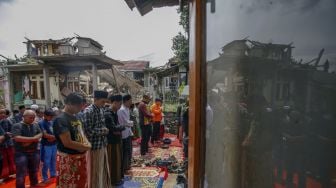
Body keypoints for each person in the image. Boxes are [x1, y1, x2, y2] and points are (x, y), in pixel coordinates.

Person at [53, 93, 91, 188]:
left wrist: (87, 143)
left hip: (80, 157)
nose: (80, 108)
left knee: (81, 182)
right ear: (69, 103)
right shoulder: (61, 119)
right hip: (68, 159)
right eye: (78, 106)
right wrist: (86, 146)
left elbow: (82, 133)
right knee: (68, 183)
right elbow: (67, 142)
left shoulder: (77, 116)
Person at [82, 90, 111, 188]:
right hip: (93, 147)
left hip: (102, 144)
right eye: (103, 102)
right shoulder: (88, 111)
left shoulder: (101, 109)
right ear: (95, 99)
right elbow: (88, 132)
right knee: (94, 172)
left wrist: (104, 130)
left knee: (102, 171)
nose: (104, 104)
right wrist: (103, 131)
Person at [11, 110, 42, 188]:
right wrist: (33, 139)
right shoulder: (17, 126)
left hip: (34, 151)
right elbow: (17, 138)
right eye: (30, 117)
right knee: (21, 173)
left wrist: (29, 140)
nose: (32, 119)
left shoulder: (35, 125)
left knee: (34, 170)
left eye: (33, 118)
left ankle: (34, 184)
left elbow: (41, 133)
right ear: (24, 117)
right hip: (21, 152)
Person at [104, 94, 125, 186]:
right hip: (111, 142)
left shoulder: (114, 113)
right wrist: (122, 127)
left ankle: (117, 178)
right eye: (120, 104)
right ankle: (113, 180)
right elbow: (114, 128)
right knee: (113, 161)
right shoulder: (108, 114)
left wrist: (118, 129)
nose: (120, 107)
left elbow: (116, 128)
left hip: (116, 140)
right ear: (115, 103)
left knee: (117, 160)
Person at [39, 109, 57, 183]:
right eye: (50, 116)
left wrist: (53, 137)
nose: (51, 117)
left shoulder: (51, 122)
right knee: (46, 161)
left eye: (52, 116)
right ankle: (44, 177)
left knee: (53, 160)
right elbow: (45, 135)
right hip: (46, 145)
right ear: (45, 115)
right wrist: (54, 137)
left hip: (54, 144)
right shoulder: (41, 123)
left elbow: (57, 133)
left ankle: (53, 173)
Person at [118, 94, 133, 174]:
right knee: (125, 150)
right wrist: (132, 123)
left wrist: (130, 123)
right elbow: (126, 122)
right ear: (126, 101)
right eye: (130, 101)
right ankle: (124, 167)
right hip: (123, 133)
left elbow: (128, 122)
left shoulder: (127, 109)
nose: (131, 102)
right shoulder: (122, 110)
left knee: (128, 150)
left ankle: (127, 165)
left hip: (127, 132)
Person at [0, 108, 16, 179]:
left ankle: (10, 174)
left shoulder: (7, 121)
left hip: (8, 143)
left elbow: (12, 130)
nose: (3, 114)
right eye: (0, 113)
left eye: (4, 113)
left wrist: (10, 134)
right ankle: (3, 175)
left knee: (10, 158)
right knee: (3, 161)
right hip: (1, 145)